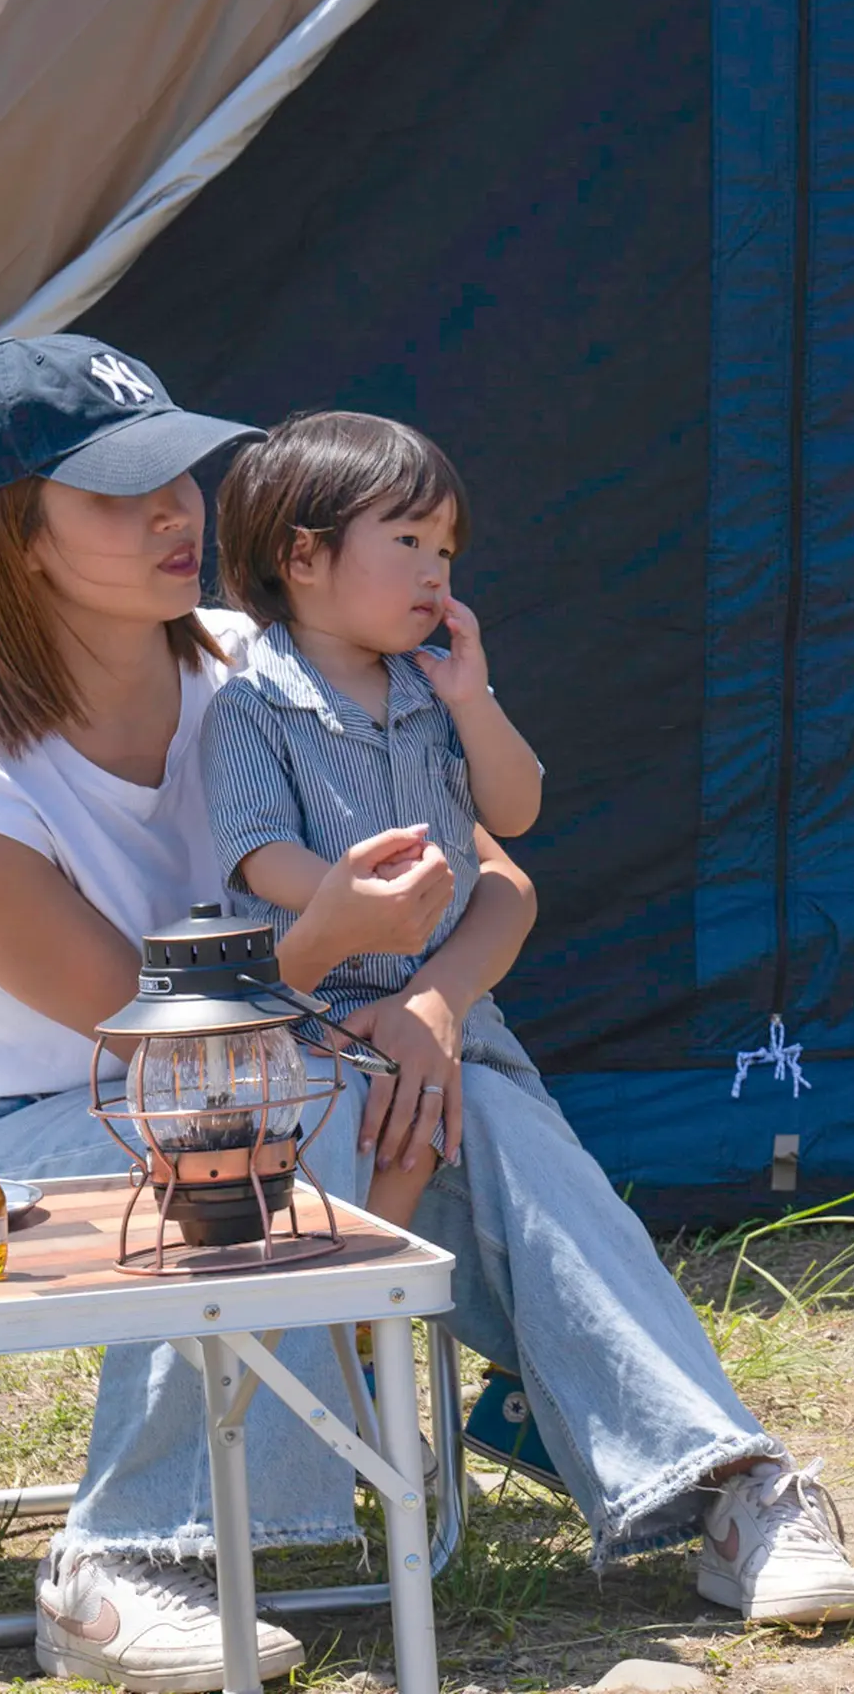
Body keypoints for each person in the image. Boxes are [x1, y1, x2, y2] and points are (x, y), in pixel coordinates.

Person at [0, 333, 854, 1694]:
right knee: (284, 1108)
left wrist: (435, 1007)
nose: (174, 512)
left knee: (466, 1097)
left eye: (177, 473)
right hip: (22, 1143)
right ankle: (122, 1563)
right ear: (17, 542)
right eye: (116, 493)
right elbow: (138, 1033)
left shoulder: (264, 666)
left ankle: (726, 1482)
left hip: (314, 1070)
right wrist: (338, 951)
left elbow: (499, 878)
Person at [201, 411, 542, 1228]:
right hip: (318, 1000)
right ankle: (356, 1291)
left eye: (446, 551)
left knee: (432, 1125)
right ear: (303, 556)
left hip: (454, 993)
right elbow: (258, 850)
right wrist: (353, 897)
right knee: (349, 1131)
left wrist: (472, 701)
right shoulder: (251, 706)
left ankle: (374, 1288)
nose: (436, 573)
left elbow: (517, 809)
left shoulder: (439, 689)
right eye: (409, 542)